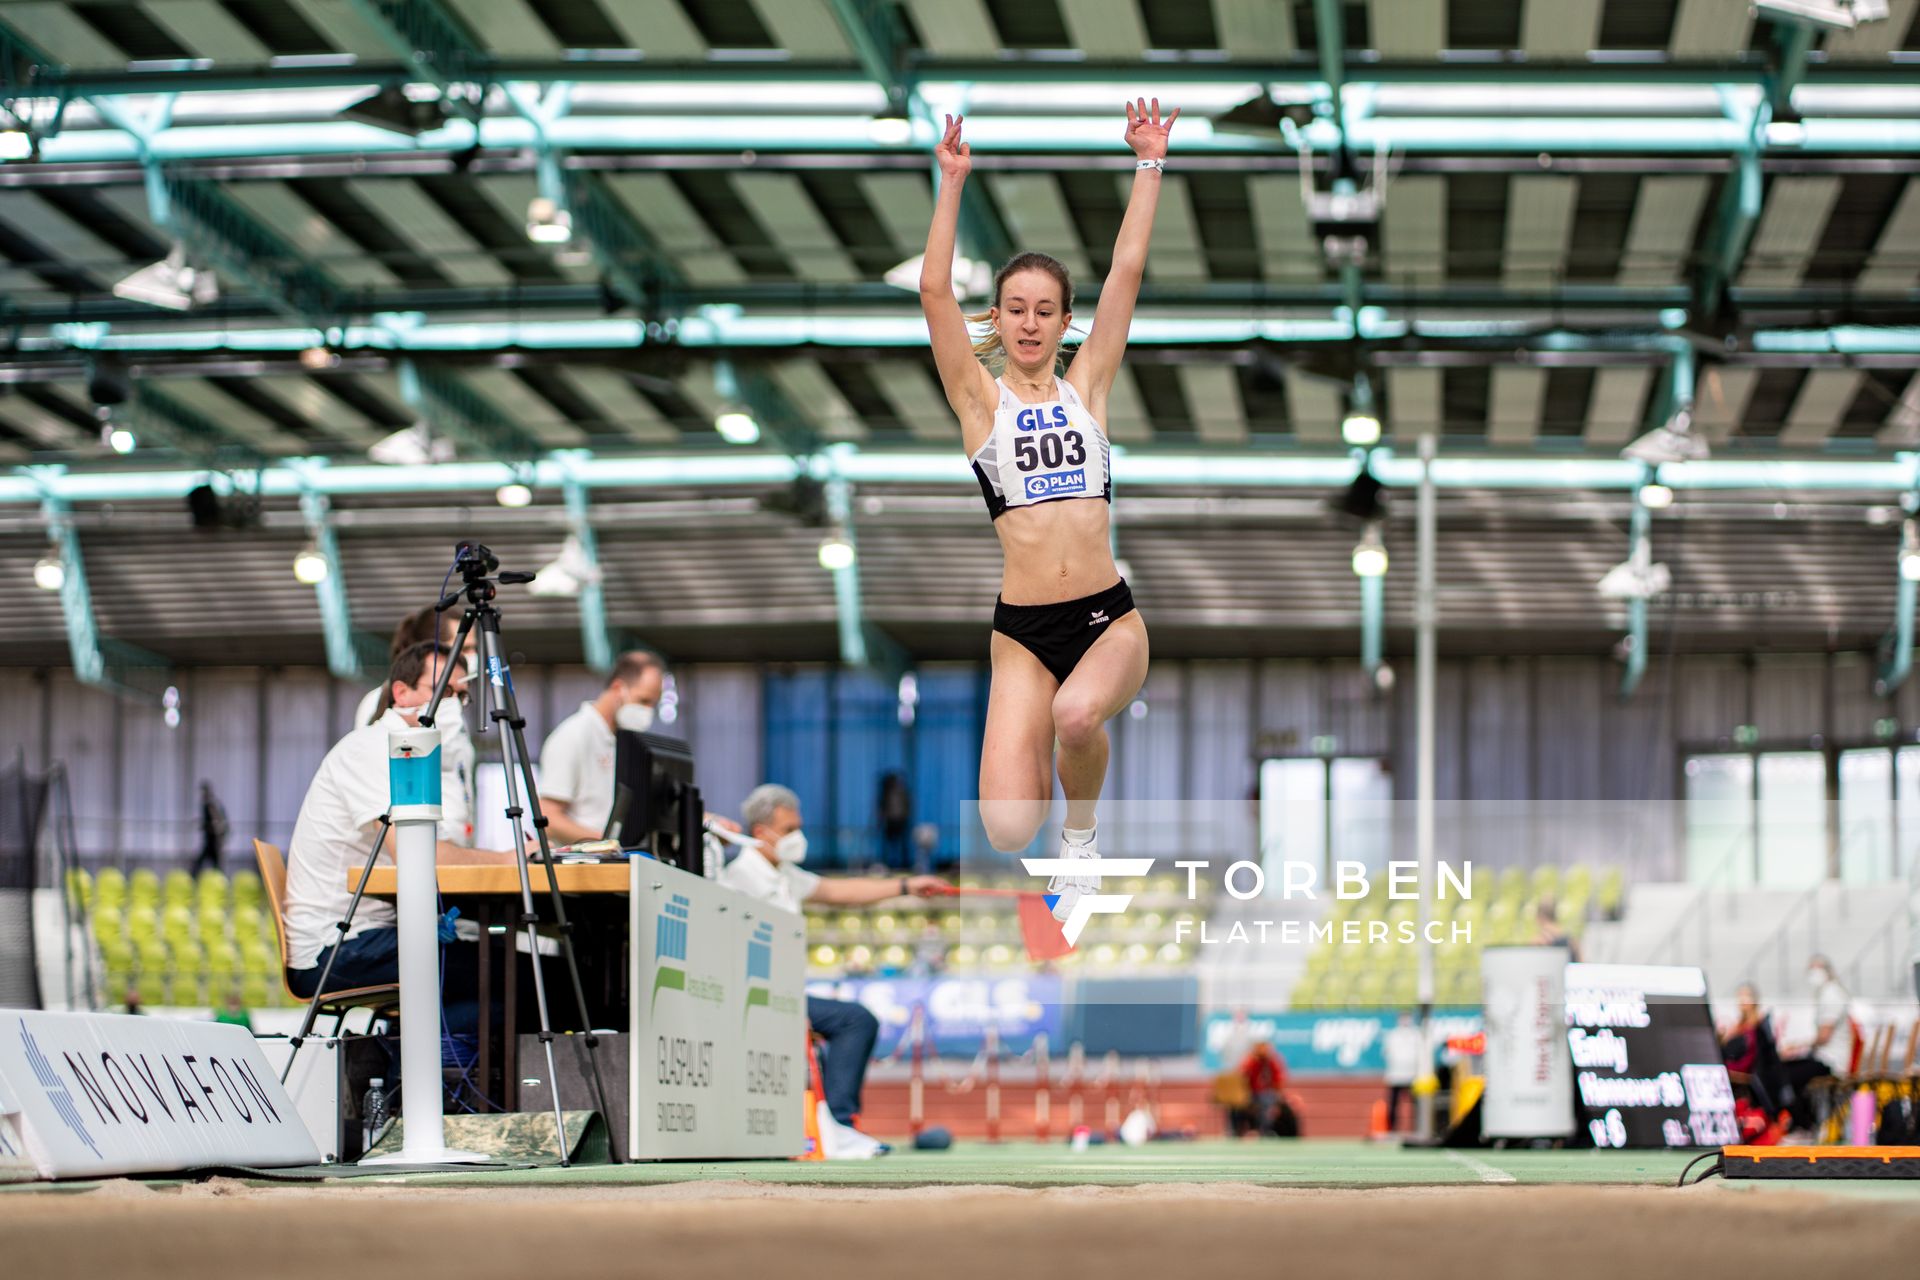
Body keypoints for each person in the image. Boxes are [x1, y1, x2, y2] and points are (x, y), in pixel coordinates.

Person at [919, 101, 1176, 925]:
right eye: (1014, 308)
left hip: (1106, 619)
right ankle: (1047, 832)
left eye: (1045, 310)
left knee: (1077, 715)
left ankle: (1083, 841)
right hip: (1021, 633)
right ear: (995, 318)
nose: (1029, 323)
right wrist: (951, 181)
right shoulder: (978, 404)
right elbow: (931, 290)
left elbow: (1128, 272)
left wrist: (1149, 164)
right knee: (1002, 826)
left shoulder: (1088, 386)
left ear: (1066, 323)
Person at [282, 640, 515, 1036]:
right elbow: (416, 855)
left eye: (461, 695)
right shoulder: (374, 749)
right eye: (443, 691)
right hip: (337, 946)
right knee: (519, 976)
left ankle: (408, 1072)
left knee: (506, 974)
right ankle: (403, 1076)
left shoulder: (418, 759)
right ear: (401, 692)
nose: (455, 704)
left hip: (375, 934)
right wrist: (509, 861)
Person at [719, 784, 948, 1156]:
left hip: (785, 995)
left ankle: (837, 1125)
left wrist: (907, 885)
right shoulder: (737, 879)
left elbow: (840, 892)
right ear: (761, 832)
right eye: (790, 829)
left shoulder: (784, 874)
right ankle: (839, 1127)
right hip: (755, 995)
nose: (798, 837)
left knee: (853, 1021)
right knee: (855, 1021)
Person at [353, 605, 479, 848]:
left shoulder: (454, 712)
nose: (472, 656)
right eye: (465, 648)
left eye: (474, 648)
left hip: (449, 850)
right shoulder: (380, 707)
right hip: (412, 852)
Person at [535, 650, 667, 847]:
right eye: (643, 701)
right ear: (618, 688)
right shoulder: (573, 735)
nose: (647, 712)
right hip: (583, 868)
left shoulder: (625, 742)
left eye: (653, 705)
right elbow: (549, 819)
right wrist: (608, 843)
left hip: (615, 862)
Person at [1382, 1011, 1424, 1134]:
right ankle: (1392, 1129)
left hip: (1413, 1075)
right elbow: (1387, 1053)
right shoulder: (1392, 1035)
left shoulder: (1416, 1034)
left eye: (1407, 1018)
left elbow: (1420, 1054)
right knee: (1393, 1104)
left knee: (1416, 1105)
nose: (1405, 1021)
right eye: (1403, 1018)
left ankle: (1418, 1128)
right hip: (1396, 1075)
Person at [1240, 1038, 1287, 1136]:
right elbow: (1242, 1076)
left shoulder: (1272, 1061)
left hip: (1267, 1093)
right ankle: (1241, 1130)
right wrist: (1253, 1060)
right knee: (1238, 1105)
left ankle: (1263, 1131)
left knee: (1266, 1101)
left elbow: (1278, 1081)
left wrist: (1279, 1096)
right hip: (1251, 1093)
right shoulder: (1251, 1061)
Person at [192, 780, 228, 876]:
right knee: (210, 863)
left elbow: (216, 822)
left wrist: (204, 826)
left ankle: (193, 879)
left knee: (206, 863)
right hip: (211, 840)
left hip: (213, 840)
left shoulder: (210, 804)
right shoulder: (211, 804)